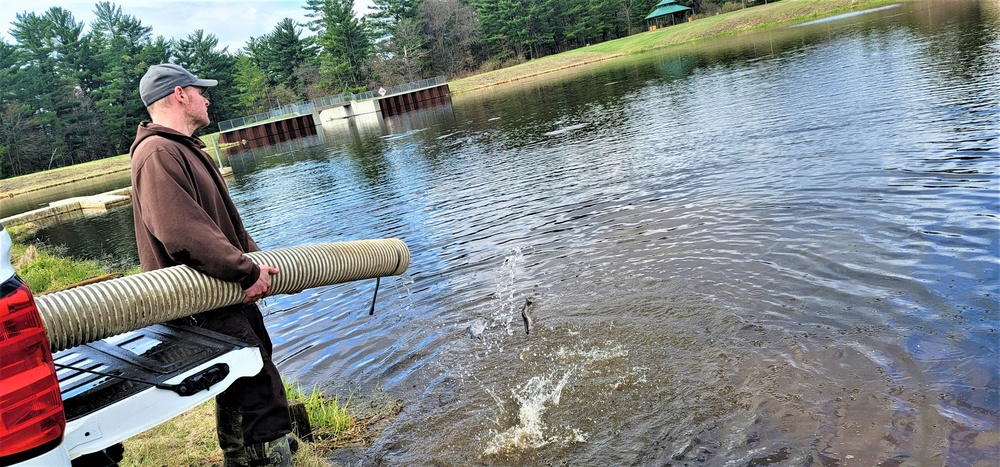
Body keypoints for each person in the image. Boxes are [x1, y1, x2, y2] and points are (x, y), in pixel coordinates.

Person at [130, 63, 292, 467]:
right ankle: (267, 460)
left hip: (225, 292)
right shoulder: (158, 153)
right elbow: (181, 233)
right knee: (258, 389)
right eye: (201, 91)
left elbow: (222, 225)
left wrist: (255, 262)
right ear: (180, 94)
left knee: (240, 379)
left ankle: (239, 459)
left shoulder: (182, 148)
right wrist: (244, 271)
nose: (207, 98)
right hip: (205, 302)